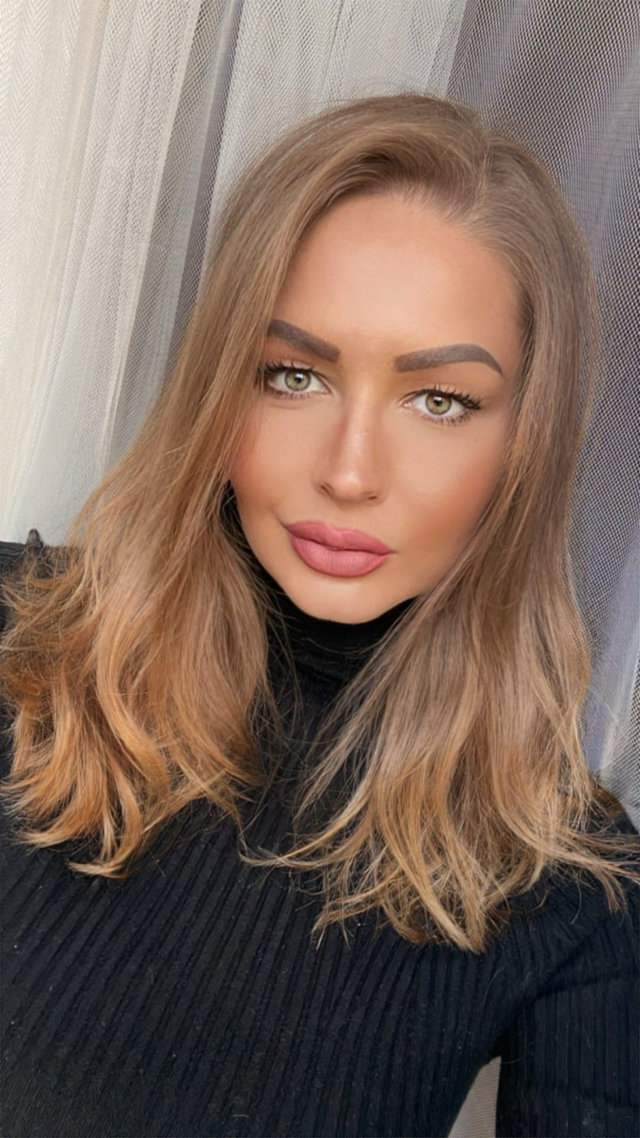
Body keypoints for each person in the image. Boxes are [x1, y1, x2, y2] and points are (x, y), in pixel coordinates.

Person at [0, 92, 638, 1138]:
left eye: (440, 401)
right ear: (221, 385)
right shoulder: (21, 643)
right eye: (293, 375)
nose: (349, 473)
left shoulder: (571, 884)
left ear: (527, 442)